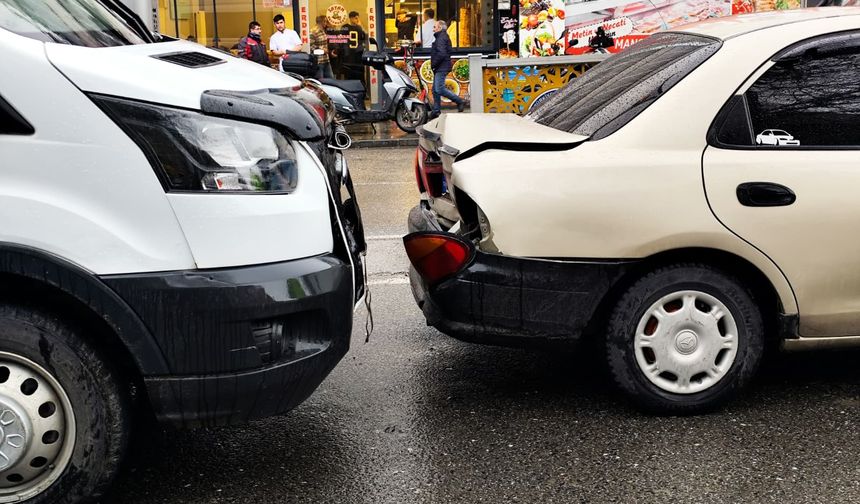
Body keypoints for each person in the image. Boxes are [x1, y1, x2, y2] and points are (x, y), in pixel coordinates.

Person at [429, 20, 465, 118]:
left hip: (441, 67)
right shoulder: (443, 37)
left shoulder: (441, 38)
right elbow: (448, 51)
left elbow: (441, 53)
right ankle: (436, 110)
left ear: (440, 28)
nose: (433, 29)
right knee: (435, 90)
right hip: (441, 66)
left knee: (439, 89)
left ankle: (459, 101)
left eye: (435, 27)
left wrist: (434, 64)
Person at [344, 11, 368, 85]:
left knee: (359, 73)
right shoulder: (346, 27)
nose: (357, 20)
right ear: (351, 18)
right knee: (349, 73)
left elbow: (366, 37)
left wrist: (360, 26)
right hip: (349, 54)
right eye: (355, 18)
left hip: (357, 53)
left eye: (358, 18)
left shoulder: (359, 27)